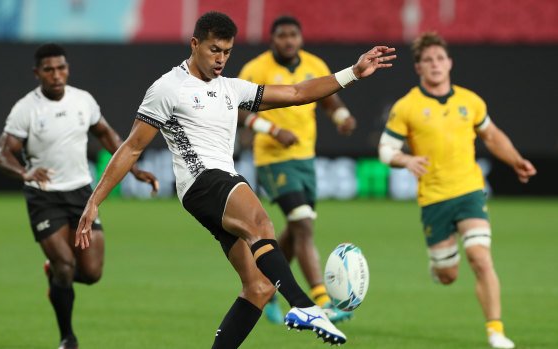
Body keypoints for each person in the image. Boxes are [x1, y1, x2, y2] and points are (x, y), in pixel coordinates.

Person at [76, 12, 394, 348]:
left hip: (218, 186)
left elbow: (298, 92)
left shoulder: (232, 88)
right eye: (214, 50)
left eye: (227, 52)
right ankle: (304, 306)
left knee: (259, 287)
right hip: (203, 181)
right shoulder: (168, 87)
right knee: (261, 222)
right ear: (195, 43)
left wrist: (354, 73)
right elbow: (131, 148)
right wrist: (94, 201)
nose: (221, 59)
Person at [0, 43, 158, 349]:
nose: (56, 75)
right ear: (37, 73)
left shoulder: (83, 100)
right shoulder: (25, 109)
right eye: (49, 69)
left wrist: (133, 170)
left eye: (61, 68)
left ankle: (52, 272)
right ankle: (67, 337)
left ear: (67, 68)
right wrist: (25, 173)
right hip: (44, 197)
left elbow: (106, 134)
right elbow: (2, 153)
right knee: (66, 266)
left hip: (82, 192)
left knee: (92, 273)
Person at [377, 32, 536, 349]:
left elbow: (491, 136)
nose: (435, 64)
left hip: (469, 190)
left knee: (480, 257)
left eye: (439, 58)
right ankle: (440, 266)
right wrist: (405, 159)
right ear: (418, 68)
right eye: (427, 60)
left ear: (449, 63)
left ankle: (495, 331)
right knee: (448, 274)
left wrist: (516, 160)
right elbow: (385, 149)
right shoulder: (407, 106)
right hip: (434, 198)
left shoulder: (470, 101)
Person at [237, 15, 356, 324]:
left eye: (293, 35)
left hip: (305, 159)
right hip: (273, 160)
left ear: (300, 39)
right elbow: (237, 109)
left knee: (295, 229)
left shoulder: (315, 65)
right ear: (272, 39)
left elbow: (328, 98)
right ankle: (321, 300)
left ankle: (268, 288)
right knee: (303, 223)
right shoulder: (256, 68)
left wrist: (342, 116)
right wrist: (273, 131)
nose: (288, 40)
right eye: (282, 35)